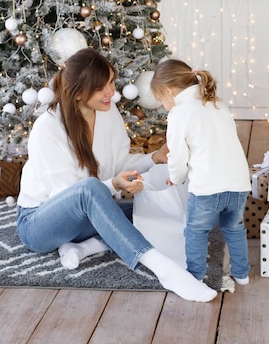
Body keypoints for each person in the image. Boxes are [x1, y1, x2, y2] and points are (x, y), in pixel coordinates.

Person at [16, 48, 217, 303]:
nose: (111, 92)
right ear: (78, 93)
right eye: (102, 88)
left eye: (111, 82)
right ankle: (165, 270)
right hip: (39, 224)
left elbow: (119, 162)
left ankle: (83, 247)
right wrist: (112, 185)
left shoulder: (107, 112)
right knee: (92, 191)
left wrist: (154, 158)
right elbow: (68, 195)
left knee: (148, 208)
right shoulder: (48, 128)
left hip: (84, 218)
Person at [149, 59, 252, 285]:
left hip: (207, 188)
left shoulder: (180, 113)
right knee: (234, 228)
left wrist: (175, 178)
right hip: (239, 183)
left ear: (168, 90)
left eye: (160, 100)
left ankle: (194, 276)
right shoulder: (217, 104)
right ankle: (242, 274)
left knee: (196, 232)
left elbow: (177, 155)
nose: (162, 105)